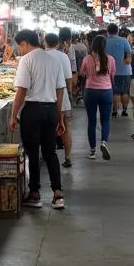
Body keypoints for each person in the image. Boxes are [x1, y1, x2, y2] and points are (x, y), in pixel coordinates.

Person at [8, 30, 66, 209]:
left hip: (32, 111)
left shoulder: (27, 60)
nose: (19, 50)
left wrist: (13, 114)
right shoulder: (53, 60)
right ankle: (57, 194)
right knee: (50, 153)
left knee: (32, 152)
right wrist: (59, 117)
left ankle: (35, 194)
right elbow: (60, 90)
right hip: (50, 110)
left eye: (19, 46)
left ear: (24, 43)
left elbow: (22, 90)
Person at [80, 35, 116, 160]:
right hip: (106, 91)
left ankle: (92, 151)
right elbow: (112, 76)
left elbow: (82, 73)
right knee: (105, 120)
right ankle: (104, 142)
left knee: (91, 121)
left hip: (90, 91)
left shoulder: (87, 58)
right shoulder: (110, 59)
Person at [47, 32, 75, 169]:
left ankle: (49, 156)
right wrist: (69, 93)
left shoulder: (43, 56)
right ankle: (67, 157)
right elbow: (69, 78)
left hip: (46, 97)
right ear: (57, 43)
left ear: (45, 42)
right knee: (66, 128)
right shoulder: (64, 56)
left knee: (48, 129)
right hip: (62, 97)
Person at [106, 23, 133, 119]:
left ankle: (114, 111)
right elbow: (129, 54)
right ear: (117, 31)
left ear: (107, 32)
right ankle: (124, 111)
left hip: (110, 71)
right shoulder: (124, 40)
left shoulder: (105, 41)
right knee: (125, 92)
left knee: (115, 92)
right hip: (125, 70)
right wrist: (127, 60)